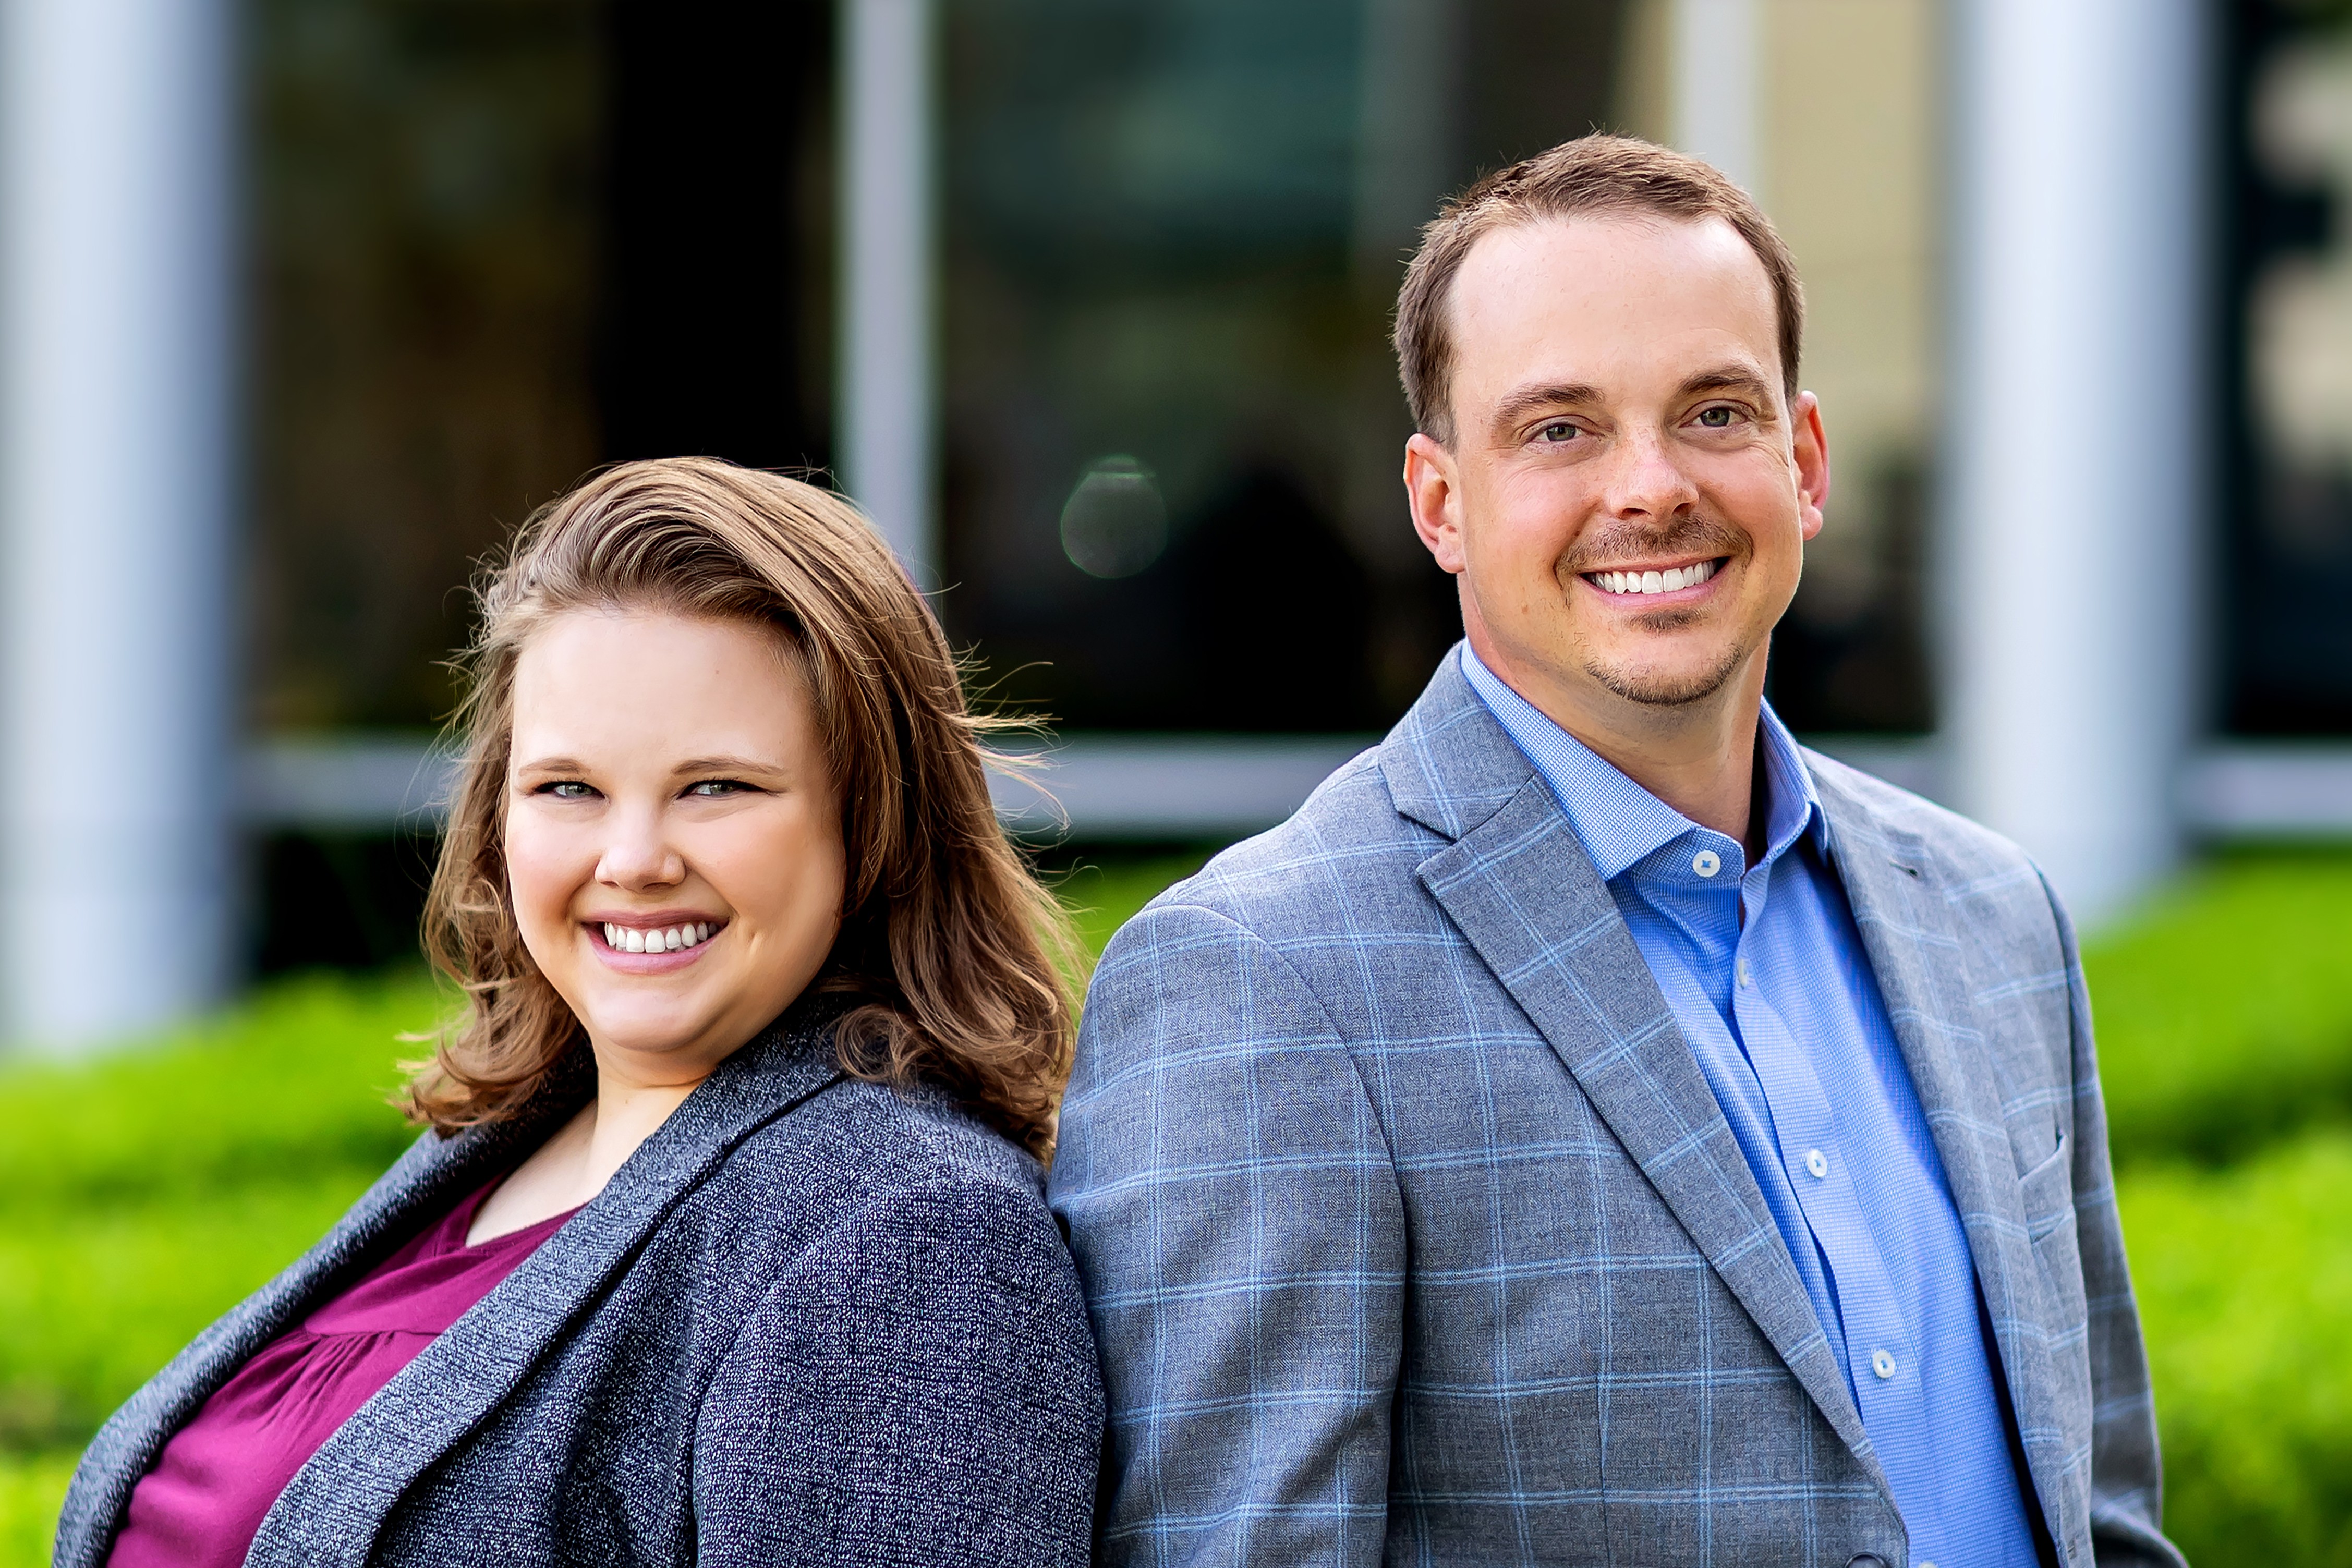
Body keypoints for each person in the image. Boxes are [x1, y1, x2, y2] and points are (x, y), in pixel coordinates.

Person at [1051, 136, 2184, 1566]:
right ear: (1439, 501)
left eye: (1714, 412)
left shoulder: (1988, 913)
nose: (1648, 489)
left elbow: (2102, 1514)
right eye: (1558, 430)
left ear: (1804, 458)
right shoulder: (1258, 980)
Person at [57, 458, 1103, 1567]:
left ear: (872, 818)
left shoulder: (906, 1235)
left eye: (718, 786)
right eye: (569, 788)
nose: (634, 859)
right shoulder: (490, 1155)